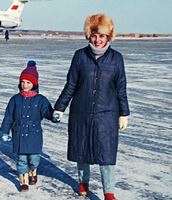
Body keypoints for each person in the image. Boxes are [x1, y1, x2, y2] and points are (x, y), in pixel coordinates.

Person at [53, 13, 130, 200]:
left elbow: (121, 87)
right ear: (89, 35)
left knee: (107, 154)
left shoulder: (116, 58)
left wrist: (124, 113)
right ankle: (83, 182)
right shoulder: (80, 56)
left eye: (101, 36)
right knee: (82, 150)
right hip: (82, 112)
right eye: (94, 35)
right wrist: (60, 107)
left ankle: (108, 192)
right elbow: (71, 84)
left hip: (107, 114)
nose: (97, 40)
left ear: (108, 37)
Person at [0, 60, 56, 192]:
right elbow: (9, 116)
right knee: (21, 160)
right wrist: (5, 132)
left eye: (28, 82)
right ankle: (23, 182)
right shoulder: (15, 99)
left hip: (34, 134)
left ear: (34, 84)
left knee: (34, 159)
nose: (25, 85)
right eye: (23, 82)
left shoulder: (41, 99)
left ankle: (33, 171)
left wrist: (54, 115)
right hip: (19, 133)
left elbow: (47, 112)